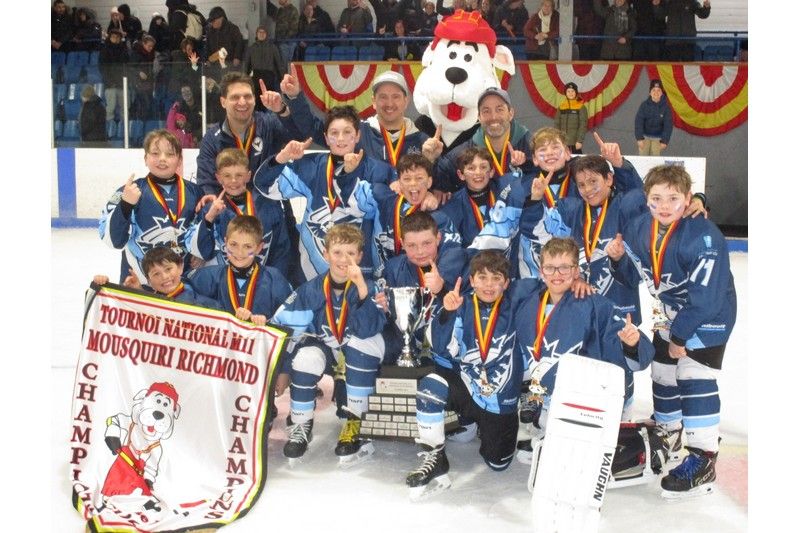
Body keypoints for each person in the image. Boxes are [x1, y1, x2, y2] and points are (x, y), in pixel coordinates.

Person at [605, 164, 736, 498]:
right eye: (657, 198)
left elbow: (706, 300)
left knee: (693, 376)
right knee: (662, 372)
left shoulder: (705, 236)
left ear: (688, 199)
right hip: (670, 312)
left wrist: (679, 338)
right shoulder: (638, 228)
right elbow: (632, 277)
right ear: (646, 198)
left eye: (673, 198)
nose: (664, 206)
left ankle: (704, 458)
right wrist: (618, 260)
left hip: (711, 315)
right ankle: (669, 433)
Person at [511, 237, 654, 462]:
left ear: (576, 271)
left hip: (595, 398)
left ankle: (619, 432)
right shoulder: (527, 303)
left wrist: (632, 344)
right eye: (550, 267)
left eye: (564, 268)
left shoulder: (594, 304)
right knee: (543, 451)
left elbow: (631, 354)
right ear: (541, 270)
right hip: (554, 394)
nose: (557, 274)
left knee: (581, 457)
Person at [405, 250, 520, 499]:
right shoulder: (460, 303)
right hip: (469, 388)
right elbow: (441, 349)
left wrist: (578, 281)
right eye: (482, 277)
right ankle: (436, 456)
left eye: (496, 278)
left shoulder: (518, 306)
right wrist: (447, 312)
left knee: (498, 464)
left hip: (500, 401)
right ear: (472, 280)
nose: (489, 285)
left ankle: (477, 426)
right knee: (430, 386)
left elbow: (552, 286)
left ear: (506, 283)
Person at [270, 224, 387, 463]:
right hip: (329, 352)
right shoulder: (309, 290)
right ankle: (301, 424)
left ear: (360, 256)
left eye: (351, 253)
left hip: (360, 355)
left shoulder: (372, 287)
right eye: (337, 253)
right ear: (325, 254)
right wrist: (282, 370)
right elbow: (285, 332)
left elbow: (367, 329)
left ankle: (356, 423)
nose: (344, 260)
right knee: (305, 358)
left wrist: (361, 288)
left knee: (361, 345)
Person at [253, 105, 392, 282]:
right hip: (313, 273)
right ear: (326, 138)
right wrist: (282, 157)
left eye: (347, 132)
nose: (340, 138)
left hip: (360, 271)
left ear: (357, 135)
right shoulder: (310, 166)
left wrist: (351, 176)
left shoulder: (379, 171)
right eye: (334, 133)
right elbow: (264, 185)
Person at [99, 129, 205, 284]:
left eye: (170, 154)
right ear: (145, 158)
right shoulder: (129, 191)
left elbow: (207, 231)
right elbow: (113, 241)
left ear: (179, 160)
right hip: (138, 280)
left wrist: (202, 252)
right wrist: (125, 205)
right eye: (155, 153)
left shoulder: (195, 192)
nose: (162, 159)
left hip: (183, 280)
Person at [187, 148, 289, 275]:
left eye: (239, 175)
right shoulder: (211, 210)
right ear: (218, 178)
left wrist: (274, 279)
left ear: (248, 176)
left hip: (260, 281)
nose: (233, 181)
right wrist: (209, 218)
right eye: (227, 176)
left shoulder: (267, 206)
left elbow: (281, 249)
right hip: (224, 282)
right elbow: (202, 252)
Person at [188, 215, 292, 325]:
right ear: (225, 243)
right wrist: (218, 309)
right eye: (233, 244)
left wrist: (268, 322)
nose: (239, 252)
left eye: (247, 247)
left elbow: (289, 319)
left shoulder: (274, 279)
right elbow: (181, 291)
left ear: (259, 248)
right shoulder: (208, 276)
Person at [433, 87, 532, 195]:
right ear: (479, 117)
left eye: (499, 109)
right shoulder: (466, 150)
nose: (493, 117)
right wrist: (430, 159)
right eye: (486, 111)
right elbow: (439, 174)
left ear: (511, 113)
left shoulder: (532, 145)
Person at [372, 153, 461, 272]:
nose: (413, 183)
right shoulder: (386, 200)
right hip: (381, 276)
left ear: (429, 182)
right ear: (399, 182)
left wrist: (441, 279)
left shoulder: (440, 216)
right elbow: (360, 186)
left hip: (422, 278)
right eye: (407, 179)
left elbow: (452, 252)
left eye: (419, 178)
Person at [93, 246, 220, 308]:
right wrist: (103, 285)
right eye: (156, 274)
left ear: (181, 267)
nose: (164, 277)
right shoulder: (152, 297)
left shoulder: (203, 303)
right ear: (148, 280)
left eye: (168, 269)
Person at [359, 71, 430, 168]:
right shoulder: (358, 133)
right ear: (374, 101)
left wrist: (431, 160)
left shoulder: (422, 141)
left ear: (406, 101)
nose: (389, 104)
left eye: (396, 97)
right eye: (383, 97)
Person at [439, 147, 501, 248]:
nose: (478, 172)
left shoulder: (504, 193)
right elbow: (451, 248)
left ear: (491, 172)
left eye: (483, 167)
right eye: (471, 168)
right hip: (473, 257)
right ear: (461, 174)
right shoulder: (451, 206)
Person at [244, 26, 285, 111]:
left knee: (269, 99)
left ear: (267, 34)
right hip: (256, 76)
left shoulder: (273, 47)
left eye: (263, 32)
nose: (261, 34)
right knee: (257, 99)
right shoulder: (252, 48)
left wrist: (282, 78)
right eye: (260, 32)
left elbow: (279, 64)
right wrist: (244, 79)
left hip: (269, 76)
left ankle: (269, 116)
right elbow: (247, 65)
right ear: (256, 34)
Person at [634, 78, 673, 156]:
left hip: (657, 139)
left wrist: (664, 141)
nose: (656, 92)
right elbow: (638, 122)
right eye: (653, 90)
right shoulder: (644, 105)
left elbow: (668, 126)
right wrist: (639, 138)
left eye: (658, 90)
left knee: (655, 160)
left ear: (662, 93)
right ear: (650, 92)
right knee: (643, 159)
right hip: (644, 137)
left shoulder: (666, 108)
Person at [99, 29, 130, 121]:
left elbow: (127, 65)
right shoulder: (104, 50)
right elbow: (102, 68)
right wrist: (109, 81)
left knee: (125, 107)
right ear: (110, 37)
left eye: (118, 37)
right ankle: (109, 127)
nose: (115, 39)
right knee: (110, 108)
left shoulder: (124, 49)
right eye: (113, 37)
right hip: (110, 84)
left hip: (122, 83)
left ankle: (125, 127)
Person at [553, 82, 587, 154]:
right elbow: (557, 124)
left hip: (575, 142)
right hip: (563, 142)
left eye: (572, 91)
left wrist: (579, 141)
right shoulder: (561, 107)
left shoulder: (581, 107)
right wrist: (557, 139)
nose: (570, 93)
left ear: (576, 92)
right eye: (568, 91)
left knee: (577, 160)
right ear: (565, 93)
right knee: (562, 160)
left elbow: (583, 125)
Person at [129, 34, 157, 121]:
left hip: (148, 83)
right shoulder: (136, 53)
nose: (151, 48)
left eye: (152, 46)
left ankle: (145, 121)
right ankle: (140, 121)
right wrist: (139, 72)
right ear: (144, 44)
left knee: (148, 103)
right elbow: (130, 67)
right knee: (144, 102)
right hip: (137, 83)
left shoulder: (151, 55)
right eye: (149, 46)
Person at [267, 0, 300, 70]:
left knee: (286, 66)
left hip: (288, 42)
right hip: (279, 41)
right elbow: (274, 14)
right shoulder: (280, 10)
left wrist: (284, 38)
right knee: (280, 65)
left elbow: (294, 28)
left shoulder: (293, 10)